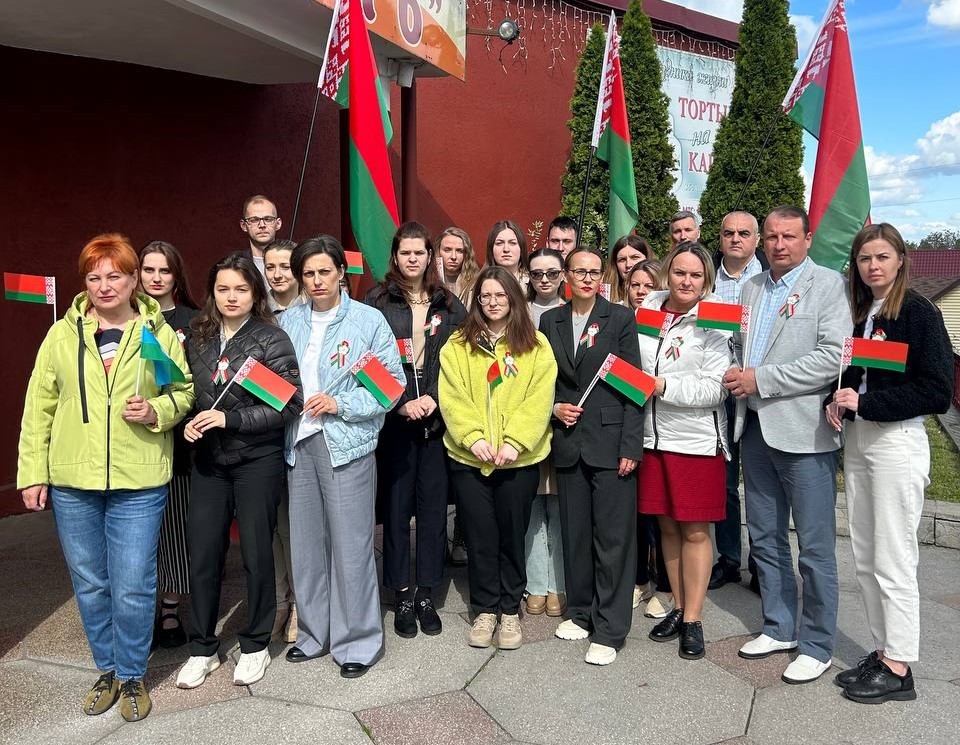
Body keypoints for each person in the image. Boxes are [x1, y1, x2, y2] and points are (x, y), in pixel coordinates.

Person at [18, 233, 193, 722]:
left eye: (115, 275)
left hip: (139, 480)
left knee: (133, 582)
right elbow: (39, 407)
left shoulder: (156, 334)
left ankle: (133, 674)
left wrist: (155, 410)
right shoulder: (62, 335)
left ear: (134, 280)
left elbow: (181, 391)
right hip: (74, 482)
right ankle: (108, 668)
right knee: (92, 582)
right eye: (94, 277)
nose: (104, 285)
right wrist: (32, 473)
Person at [723, 206, 852, 685]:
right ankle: (778, 626)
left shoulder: (829, 285)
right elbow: (743, 346)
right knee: (765, 537)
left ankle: (817, 644)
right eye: (773, 236)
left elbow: (831, 358)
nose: (779, 244)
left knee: (815, 548)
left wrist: (761, 379)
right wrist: (736, 369)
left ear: (808, 239)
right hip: (755, 427)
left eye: (789, 236)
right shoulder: (753, 287)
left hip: (805, 434)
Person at [828, 223, 952, 703]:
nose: (873, 266)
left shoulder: (918, 313)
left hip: (895, 443)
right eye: (864, 259)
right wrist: (839, 400)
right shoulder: (864, 312)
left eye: (882, 256)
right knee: (866, 555)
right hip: (861, 441)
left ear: (901, 259)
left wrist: (865, 404)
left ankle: (899, 666)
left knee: (893, 557)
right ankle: (883, 652)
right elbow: (857, 376)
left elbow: (937, 391)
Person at [175, 254, 302, 690]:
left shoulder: (270, 338)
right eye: (223, 289)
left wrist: (230, 420)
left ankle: (255, 644)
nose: (232, 297)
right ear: (212, 292)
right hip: (209, 463)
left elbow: (288, 403)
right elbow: (187, 392)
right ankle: (202, 648)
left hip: (255, 462)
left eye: (241, 289)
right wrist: (188, 420)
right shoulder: (199, 337)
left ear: (255, 293)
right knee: (204, 554)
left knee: (256, 552)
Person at [280, 236, 404, 679]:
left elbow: (390, 387)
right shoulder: (288, 321)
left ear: (340, 272)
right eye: (308, 273)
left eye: (324, 271)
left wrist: (340, 404)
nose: (317, 280)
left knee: (351, 547)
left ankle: (358, 640)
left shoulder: (367, 321)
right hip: (298, 444)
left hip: (346, 444)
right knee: (306, 546)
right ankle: (315, 633)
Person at [439, 266, 557, 650]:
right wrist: (472, 437)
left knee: (512, 534)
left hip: (516, 461)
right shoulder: (458, 344)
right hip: (471, 459)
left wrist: (515, 441)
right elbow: (452, 396)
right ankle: (485, 608)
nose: (492, 302)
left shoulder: (535, 345)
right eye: (486, 295)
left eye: (500, 295)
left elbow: (539, 397)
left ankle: (509, 609)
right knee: (480, 536)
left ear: (513, 299)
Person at [539, 247, 643, 666]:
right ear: (566, 274)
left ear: (603, 277)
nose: (586, 278)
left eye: (594, 272)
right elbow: (542, 379)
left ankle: (610, 628)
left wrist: (631, 445)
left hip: (611, 443)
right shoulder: (551, 320)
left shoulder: (619, 318)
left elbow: (634, 386)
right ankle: (581, 612)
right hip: (569, 442)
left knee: (613, 540)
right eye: (579, 271)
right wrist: (554, 407)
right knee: (576, 534)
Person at [364, 222, 466, 639]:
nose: (412, 259)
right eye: (405, 252)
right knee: (395, 507)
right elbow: (366, 362)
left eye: (419, 253)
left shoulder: (449, 304)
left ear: (430, 257)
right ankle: (401, 593)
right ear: (395, 256)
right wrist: (400, 401)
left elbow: (463, 361)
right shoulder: (376, 301)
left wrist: (436, 399)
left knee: (433, 508)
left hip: (437, 418)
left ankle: (426, 591)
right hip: (395, 418)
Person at [636, 242, 731, 660]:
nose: (686, 281)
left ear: (706, 279)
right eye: (679, 273)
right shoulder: (647, 308)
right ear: (667, 274)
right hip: (651, 437)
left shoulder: (715, 317)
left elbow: (715, 388)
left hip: (694, 441)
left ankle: (693, 618)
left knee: (694, 530)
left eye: (695, 275)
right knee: (667, 528)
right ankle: (677, 605)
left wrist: (662, 386)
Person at [139, 240, 199, 649]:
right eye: (149, 270)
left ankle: (171, 608)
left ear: (176, 276)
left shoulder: (194, 322)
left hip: (180, 443)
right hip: (135, 443)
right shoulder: (129, 319)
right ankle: (140, 609)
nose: (156, 278)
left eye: (164, 270)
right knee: (141, 537)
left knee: (176, 531)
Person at [709, 211, 766, 593]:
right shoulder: (707, 278)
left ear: (756, 239)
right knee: (725, 484)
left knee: (761, 486)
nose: (735, 239)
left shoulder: (768, 280)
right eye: (728, 232)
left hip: (759, 391)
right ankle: (729, 558)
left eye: (744, 233)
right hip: (718, 391)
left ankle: (761, 562)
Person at [624, 260, 671, 617]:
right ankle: (639, 579)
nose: (640, 291)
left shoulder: (663, 321)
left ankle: (666, 586)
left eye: (648, 285)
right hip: (630, 426)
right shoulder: (620, 319)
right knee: (637, 513)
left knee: (661, 515)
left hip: (664, 425)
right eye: (635, 284)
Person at [523, 248, 567, 617]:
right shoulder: (518, 313)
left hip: (564, 422)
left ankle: (560, 583)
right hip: (526, 421)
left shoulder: (573, 312)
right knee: (532, 505)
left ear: (563, 274)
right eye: (537, 274)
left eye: (552, 273)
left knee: (559, 504)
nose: (544, 280)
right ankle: (536, 582)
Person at [240, 194, 282, 283]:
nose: (262, 225)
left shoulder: (294, 259)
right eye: (254, 220)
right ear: (244, 225)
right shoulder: (235, 264)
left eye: (268, 219)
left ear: (278, 224)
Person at [437, 226, 480, 306]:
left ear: (466, 254)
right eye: (447, 250)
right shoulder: (427, 281)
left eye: (459, 251)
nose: (453, 257)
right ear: (438, 251)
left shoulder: (476, 283)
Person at [605, 235, 653, 304]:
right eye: (622, 260)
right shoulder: (605, 296)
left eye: (635, 257)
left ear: (647, 258)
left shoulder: (664, 293)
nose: (628, 264)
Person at [264, 239, 306, 315]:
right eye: (270, 268)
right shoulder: (254, 310)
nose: (277, 275)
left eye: (285, 267)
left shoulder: (316, 307)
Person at [486, 220, 529, 291]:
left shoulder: (533, 284)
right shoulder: (480, 284)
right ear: (491, 248)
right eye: (499, 243)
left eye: (512, 243)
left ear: (521, 247)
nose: (506, 249)